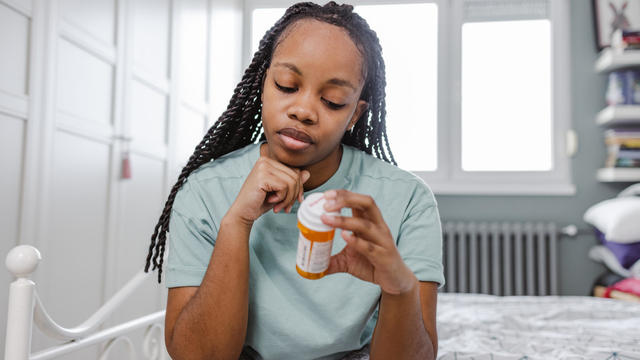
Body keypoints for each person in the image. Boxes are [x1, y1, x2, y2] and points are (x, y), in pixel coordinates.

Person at [144, 2, 444, 359]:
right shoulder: (205, 191)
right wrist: (236, 224)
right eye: (287, 85)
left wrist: (400, 288)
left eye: (333, 101)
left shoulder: (408, 201)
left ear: (354, 114)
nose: (303, 110)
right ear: (263, 84)